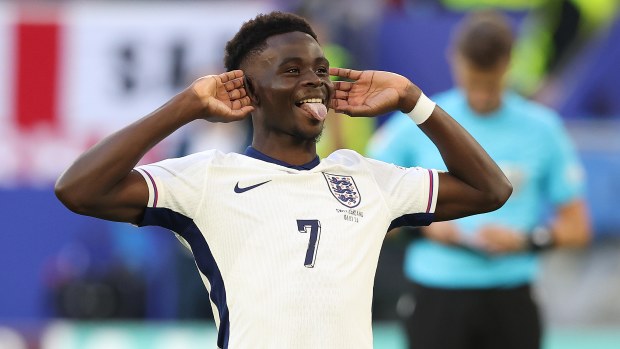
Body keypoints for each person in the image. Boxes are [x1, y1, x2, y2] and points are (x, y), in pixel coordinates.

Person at [55, 11, 511, 349]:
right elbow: (78, 188)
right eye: (291, 71)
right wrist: (184, 106)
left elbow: (490, 189)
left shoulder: (365, 177)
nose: (314, 81)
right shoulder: (209, 177)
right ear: (248, 91)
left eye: (319, 69)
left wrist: (414, 101)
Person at [367, 10, 591, 349]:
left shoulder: (543, 129)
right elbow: (365, 207)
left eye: (491, 82)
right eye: (474, 82)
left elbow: (578, 225)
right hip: (437, 292)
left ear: (509, 64)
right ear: (455, 60)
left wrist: (528, 240)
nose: (483, 95)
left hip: (511, 294)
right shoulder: (421, 123)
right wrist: (421, 226)